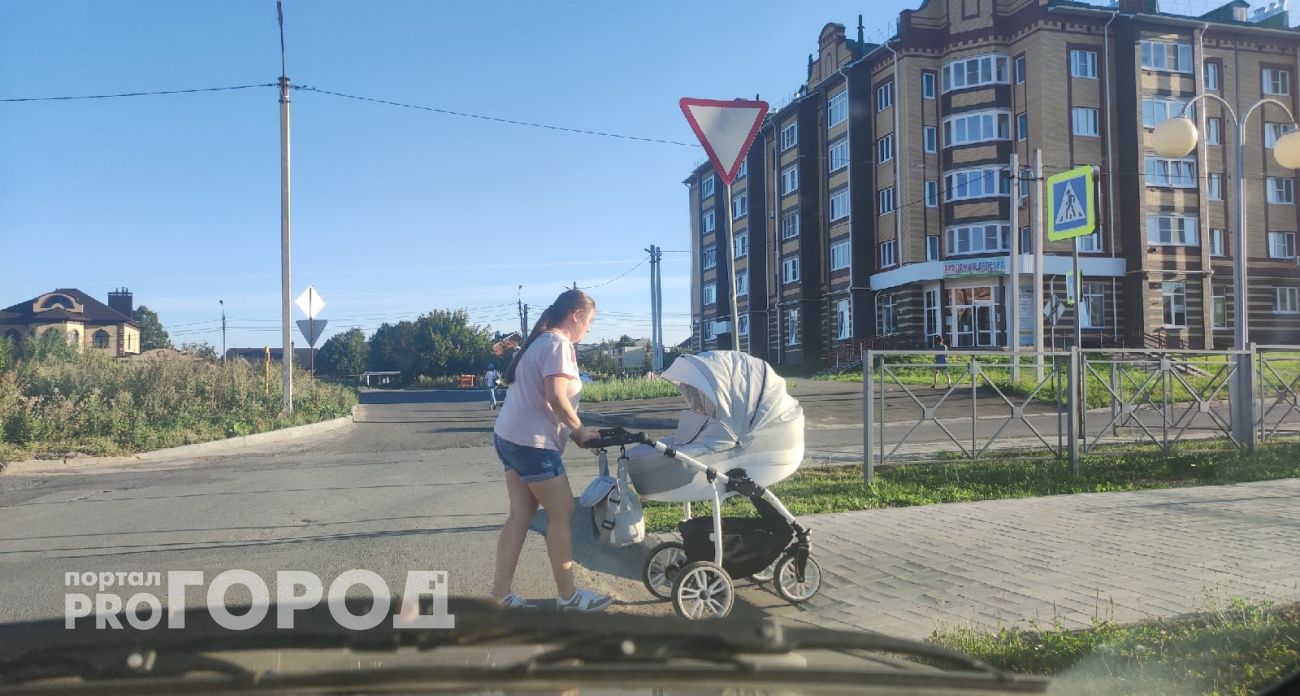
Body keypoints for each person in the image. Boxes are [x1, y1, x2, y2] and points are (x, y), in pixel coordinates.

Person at [489, 289, 612, 612]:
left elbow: (543, 401)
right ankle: (569, 598)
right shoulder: (558, 345)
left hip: (510, 437)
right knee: (563, 513)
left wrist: (574, 434)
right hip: (532, 444)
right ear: (575, 315)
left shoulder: (541, 342)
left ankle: (500, 596)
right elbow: (556, 397)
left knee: (521, 515)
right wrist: (580, 430)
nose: (589, 329)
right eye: (589, 322)